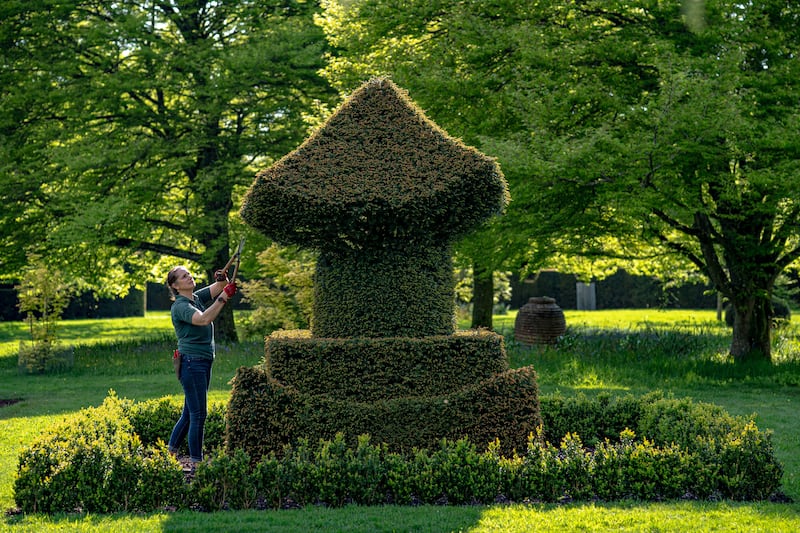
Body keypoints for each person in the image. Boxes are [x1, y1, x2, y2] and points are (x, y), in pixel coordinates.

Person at [165, 265, 236, 470]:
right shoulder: (180, 306)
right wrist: (223, 298)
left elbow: (220, 286)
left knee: (189, 412)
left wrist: (222, 278)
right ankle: (197, 463)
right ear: (175, 286)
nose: (189, 277)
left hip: (202, 361)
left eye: (189, 274)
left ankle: (171, 452)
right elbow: (204, 319)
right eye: (184, 276)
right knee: (198, 414)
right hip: (191, 363)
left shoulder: (195, 298)